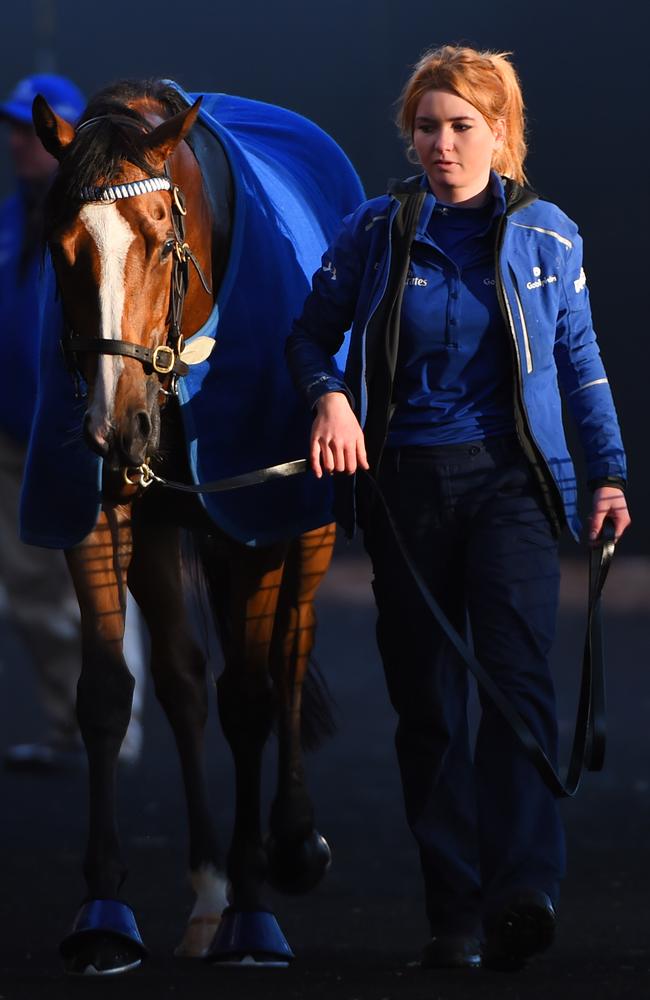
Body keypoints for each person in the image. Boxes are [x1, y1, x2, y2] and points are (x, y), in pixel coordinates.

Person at [286, 45, 630, 970]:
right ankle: (458, 915)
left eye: (462, 126)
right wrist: (331, 397)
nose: (441, 144)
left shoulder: (550, 237)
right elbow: (311, 337)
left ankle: (524, 889)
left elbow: (582, 365)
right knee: (428, 707)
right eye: (427, 127)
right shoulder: (373, 231)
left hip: (512, 487)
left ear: (502, 134)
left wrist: (608, 475)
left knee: (516, 687)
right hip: (405, 491)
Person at [0, 73, 146, 769]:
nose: (24, 144)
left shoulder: (103, 212)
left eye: (38, 129)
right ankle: (69, 726)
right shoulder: (3, 222)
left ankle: (121, 725)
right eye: (16, 130)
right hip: (9, 437)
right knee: (30, 588)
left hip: (87, 426)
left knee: (105, 578)